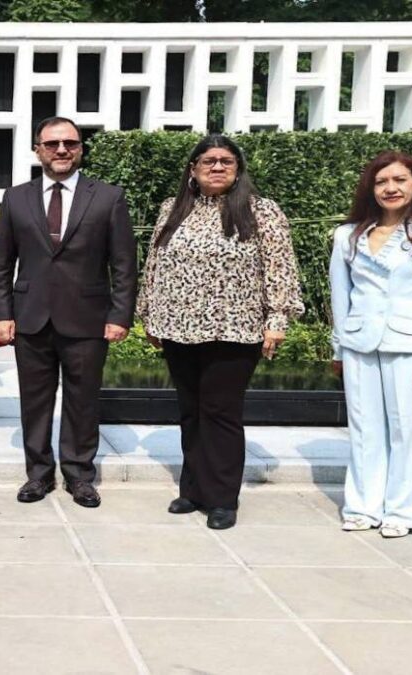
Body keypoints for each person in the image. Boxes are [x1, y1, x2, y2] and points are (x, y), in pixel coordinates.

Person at [137, 134, 303, 530]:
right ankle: (192, 489)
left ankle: (223, 497)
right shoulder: (172, 210)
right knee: (190, 410)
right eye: (208, 160)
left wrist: (276, 320)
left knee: (220, 411)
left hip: (235, 330)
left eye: (226, 161)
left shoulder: (262, 212)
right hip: (177, 327)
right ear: (193, 170)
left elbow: (280, 269)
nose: (216, 167)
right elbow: (154, 265)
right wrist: (147, 313)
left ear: (238, 169)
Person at [0, 116, 137, 507]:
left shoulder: (107, 197)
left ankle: (79, 476)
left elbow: (123, 264)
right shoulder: (15, 197)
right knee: (34, 401)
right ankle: (38, 475)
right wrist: (1, 313)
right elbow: (1, 263)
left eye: (70, 143)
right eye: (52, 143)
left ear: (81, 149)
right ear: (37, 149)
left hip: (88, 318)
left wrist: (120, 315)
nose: (61, 150)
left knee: (82, 399)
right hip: (30, 317)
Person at [330, 151, 412, 538]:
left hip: (410, 346)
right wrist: (338, 348)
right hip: (359, 343)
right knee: (363, 429)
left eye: (399, 180)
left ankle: (403, 512)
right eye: (381, 182)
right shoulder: (348, 234)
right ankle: (362, 506)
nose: (390, 188)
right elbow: (341, 297)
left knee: (406, 432)